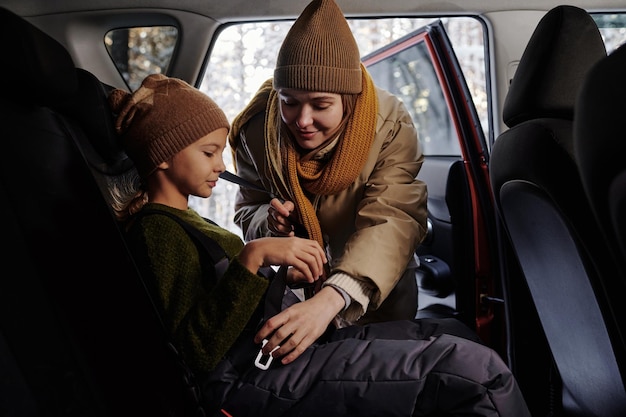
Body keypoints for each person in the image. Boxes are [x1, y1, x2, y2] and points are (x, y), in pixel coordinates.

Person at [107, 73, 531, 416]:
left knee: (459, 336)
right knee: (476, 374)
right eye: (209, 153)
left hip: (273, 346)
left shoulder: (183, 220)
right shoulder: (157, 231)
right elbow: (196, 350)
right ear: (163, 155)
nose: (221, 165)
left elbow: (393, 218)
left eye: (218, 152)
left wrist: (282, 275)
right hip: (250, 374)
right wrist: (257, 253)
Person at [228, 0, 427, 349]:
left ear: (348, 100)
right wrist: (270, 226)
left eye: (320, 105)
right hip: (292, 292)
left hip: (374, 294)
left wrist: (331, 299)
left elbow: (394, 217)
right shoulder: (255, 129)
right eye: (289, 102)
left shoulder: (390, 123)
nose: (302, 120)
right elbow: (249, 209)